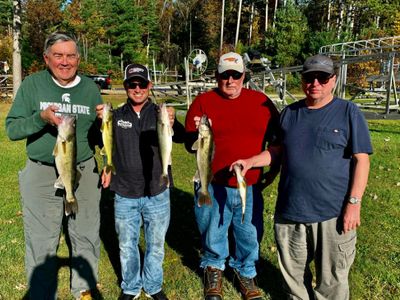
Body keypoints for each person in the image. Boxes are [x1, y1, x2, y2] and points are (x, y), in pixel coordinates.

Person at [231, 54, 373, 299]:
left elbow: (362, 160)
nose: (315, 83)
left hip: (332, 213)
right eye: (309, 77)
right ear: (302, 80)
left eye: (322, 77)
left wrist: (354, 204)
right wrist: (251, 162)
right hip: (290, 211)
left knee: (333, 281)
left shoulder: (348, 112)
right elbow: (278, 151)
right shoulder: (289, 114)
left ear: (334, 80)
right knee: (293, 279)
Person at [5, 32, 103, 300]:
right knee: (41, 239)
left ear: (79, 59)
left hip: (82, 169)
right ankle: (43, 293)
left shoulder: (90, 89)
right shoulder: (32, 85)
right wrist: (40, 118)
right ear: (46, 59)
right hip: (41, 171)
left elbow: (97, 136)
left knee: (86, 233)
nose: (65, 61)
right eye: (58, 55)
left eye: (71, 55)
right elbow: (12, 129)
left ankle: (83, 289)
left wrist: (105, 125)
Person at [185, 52, 279, 300]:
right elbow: (187, 143)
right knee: (213, 229)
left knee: (248, 231)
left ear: (243, 76)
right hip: (213, 183)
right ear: (216, 76)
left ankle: (245, 270)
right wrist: (194, 133)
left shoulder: (262, 103)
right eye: (225, 75)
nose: (230, 80)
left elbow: (278, 143)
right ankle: (213, 267)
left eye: (235, 75)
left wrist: (271, 171)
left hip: (248, 184)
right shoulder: (203, 102)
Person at [98, 63, 185, 300]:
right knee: (127, 245)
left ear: (150, 85)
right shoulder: (116, 116)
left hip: (157, 190)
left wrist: (173, 121)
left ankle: (154, 285)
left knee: (156, 244)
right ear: (125, 87)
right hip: (125, 191)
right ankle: (131, 286)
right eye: (131, 84)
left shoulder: (159, 113)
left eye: (141, 84)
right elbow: (95, 140)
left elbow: (184, 138)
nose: (137, 89)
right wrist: (100, 120)